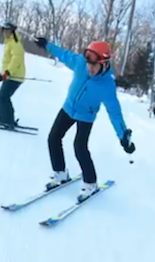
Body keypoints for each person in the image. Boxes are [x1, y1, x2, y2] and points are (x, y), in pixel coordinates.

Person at [32, 36, 136, 202]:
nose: (90, 68)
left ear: (104, 63)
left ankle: (91, 183)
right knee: (53, 138)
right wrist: (47, 45)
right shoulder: (80, 63)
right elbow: (63, 54)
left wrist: (123, 137)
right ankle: (60, 173)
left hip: (86, 114)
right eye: (88, 63)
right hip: (68, 107)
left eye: (94, 65)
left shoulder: (107, 85)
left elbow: (115, 113)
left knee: (79, 147)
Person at [0, 22, 25, 128]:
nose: (5, 32)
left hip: (15, 76)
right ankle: (8, 119)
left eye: (7, 30)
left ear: (12, 32)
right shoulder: (9, 43)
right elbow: (8, 60)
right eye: (4, 30)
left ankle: (5, 120)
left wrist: (7, 73)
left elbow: (16, 61)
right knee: (4, 97)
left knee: (2, 97)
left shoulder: (15, 44)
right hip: (11, 75)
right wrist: (2, 73)